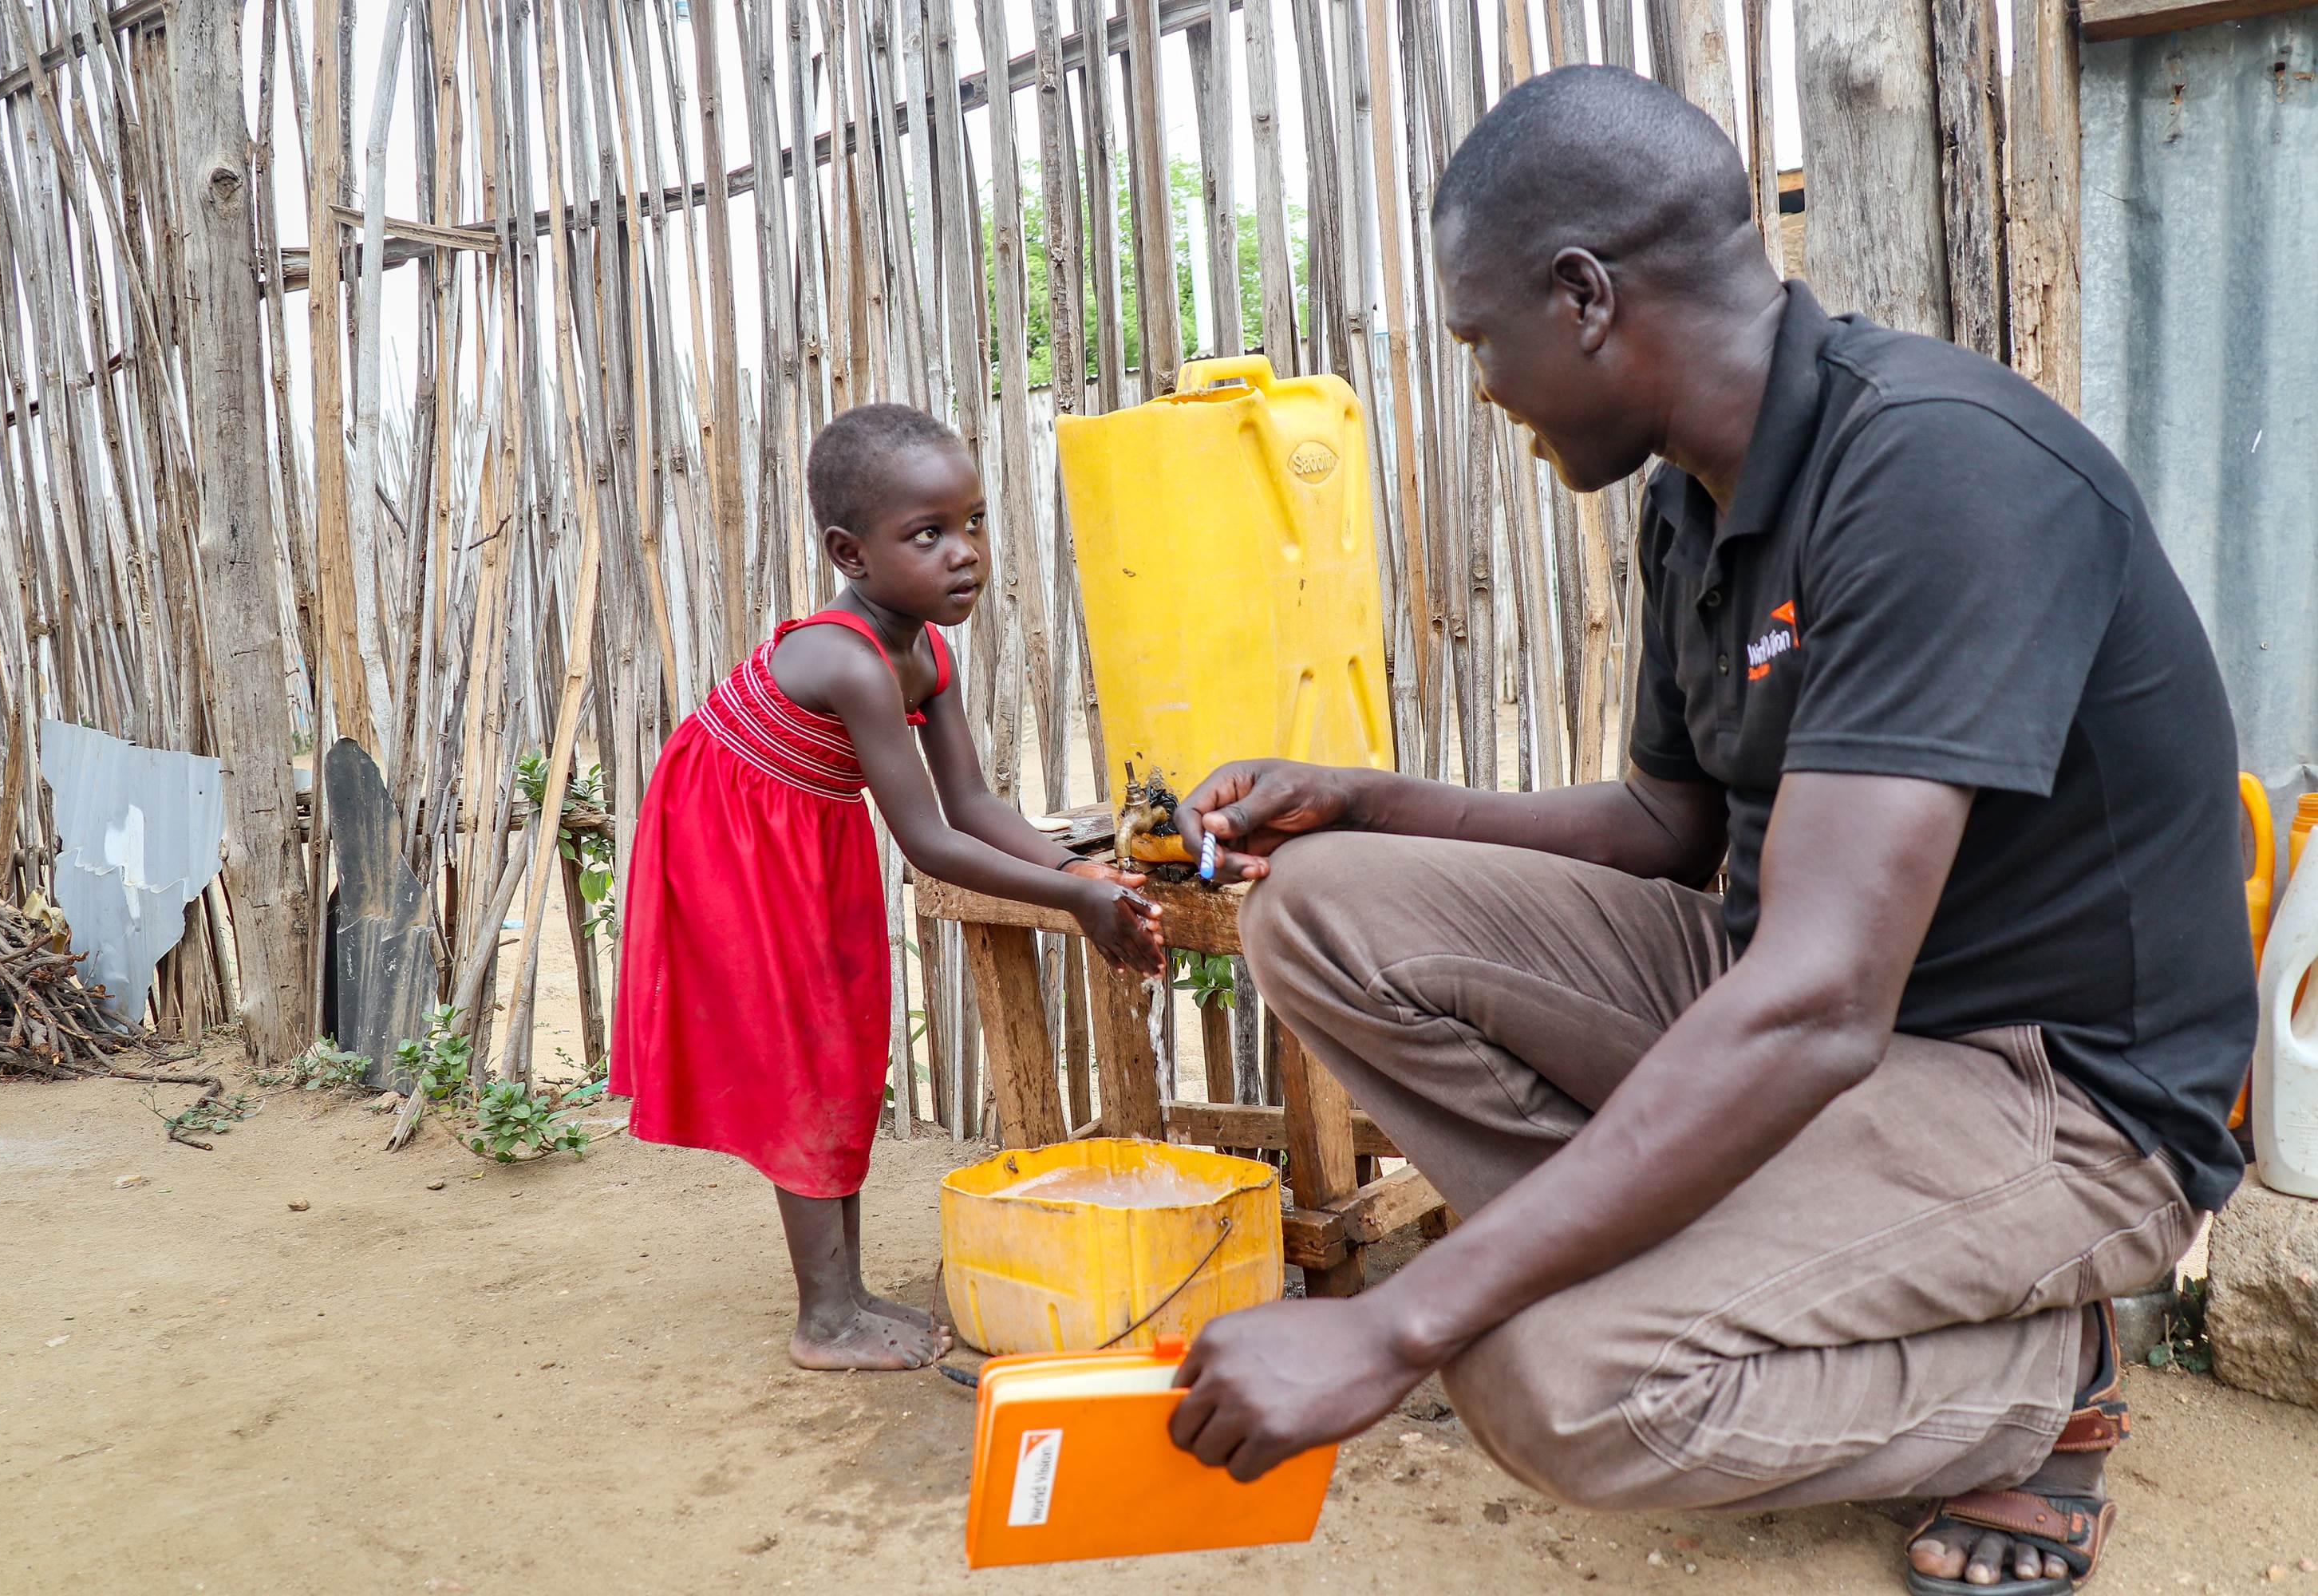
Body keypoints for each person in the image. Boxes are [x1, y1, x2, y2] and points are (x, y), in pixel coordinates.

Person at [1165, 65, 2251, 1595]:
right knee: (1322, 909)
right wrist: (1367, 799)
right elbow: (1667, 824)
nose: (1485, 388)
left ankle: (2045, 1377)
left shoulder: (1940, 471)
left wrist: (1402, 1324)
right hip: (1809, 1017)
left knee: (1549, 1383)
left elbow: (1814, 1007)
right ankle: (1696, 1262)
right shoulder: (1704, 498)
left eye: (1484, 341)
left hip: (2055, 1096)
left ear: (1585, 294)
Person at [610, 404, 1166, 1372]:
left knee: (845, 1039)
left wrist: (1076, 867)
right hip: (733, 841)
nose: (965, 554)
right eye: (928, 534)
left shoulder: (926, 651)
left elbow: (973, 802)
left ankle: (847, 1293)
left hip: (805, 837)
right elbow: (928, 843)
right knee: (805, 1053)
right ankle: (824, 1319)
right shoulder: (851, 661)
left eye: (974, 523)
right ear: (849, 552)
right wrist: (1073, 902)